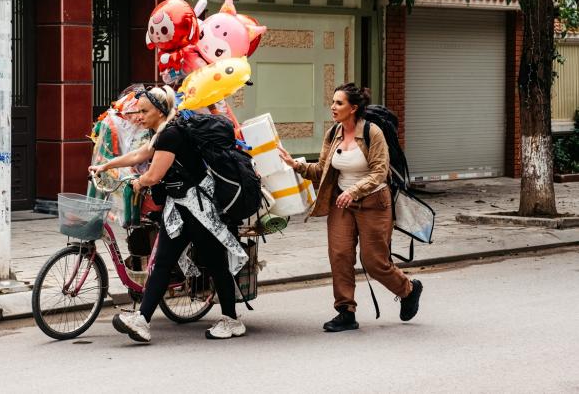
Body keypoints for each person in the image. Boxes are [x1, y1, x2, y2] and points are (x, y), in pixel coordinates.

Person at [89, 85, 248, 343]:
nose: (139, 116)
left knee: (215, 261)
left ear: (160, 111)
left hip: (199, 208)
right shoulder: (164, 132)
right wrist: (107, 164)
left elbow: (154, 175)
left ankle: (232, 320)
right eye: (137, 111)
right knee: (163, 261)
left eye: (144, 111)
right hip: (181, 207)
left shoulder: (171, 134)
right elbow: (141, 154)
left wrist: (139, 183)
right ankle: (142, 320)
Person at [278, 83, 423, 332]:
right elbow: (323, 170)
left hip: (374, 203)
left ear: (353, 108)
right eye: (333, 102)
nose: (333, 107)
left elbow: (380, 172)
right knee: (340, 256)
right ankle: (346, 311)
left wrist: (354, 191)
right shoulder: (333, 133)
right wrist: (296, 165)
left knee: (374, 261)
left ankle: (408, 290)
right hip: (341, 204)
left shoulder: (372, 132)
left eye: (339, 103)